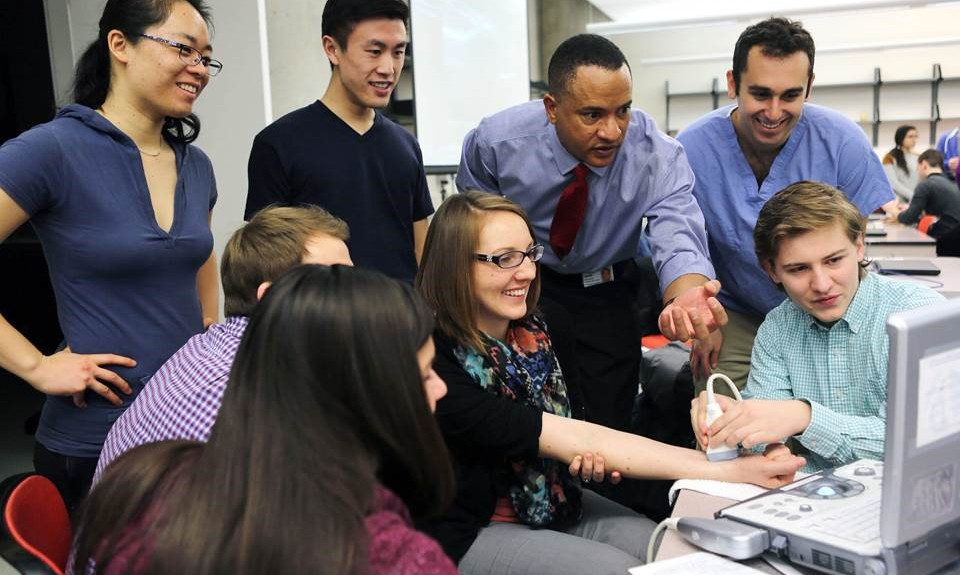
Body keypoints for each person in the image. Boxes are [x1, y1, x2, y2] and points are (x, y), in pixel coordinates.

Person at [415, 191, 805, 574]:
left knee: (674, 552)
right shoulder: (433, 356)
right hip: (474, 527)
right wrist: (731, 470)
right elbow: (560, 435)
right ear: (454, 266)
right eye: (504, 259)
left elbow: (582, 434)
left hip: (560, 500)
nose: (527, 272)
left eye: (531, 253)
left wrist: (589, 463)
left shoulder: (549, 324)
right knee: (623, 570)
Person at [71, 265, 457, 575]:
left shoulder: (148, 476)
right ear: (361, 394)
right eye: (423, 374)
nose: (440, 388)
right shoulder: (395, 558)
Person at [0, 0, 221, 510]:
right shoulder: (52, 150)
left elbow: (199, 273)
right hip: (95, 443)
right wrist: (35, 366)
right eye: (184, 49)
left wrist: (211, 342)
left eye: (206, 56)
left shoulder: (198, 166)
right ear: (119, 45)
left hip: (184, 433)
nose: (199, 69)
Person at [457, 33, 725, 434]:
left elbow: (678, 233)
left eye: (623, 111)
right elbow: (471, 228)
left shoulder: (655, 153)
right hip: (524, 287)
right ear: (552, 108)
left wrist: (689, 300)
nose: (613, 131)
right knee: (520, 416)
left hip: (605, 296)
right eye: (593, 115)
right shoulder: (497, 143)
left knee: (606, 426)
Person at [676, 17, 895, 391]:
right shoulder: (692, 148)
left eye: (791, 95)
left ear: (809, 86)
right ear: (733, 84)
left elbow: (849, 245)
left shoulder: (843, 143)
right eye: (760, 94)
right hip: (737, 314)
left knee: (841, 408)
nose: (774, 112)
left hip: (824, 308)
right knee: (726, 425)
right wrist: (703, 320)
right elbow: (684, 242)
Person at [691, 182, 944, 472]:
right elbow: (763, 442)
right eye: (799, 269)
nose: (822, 285)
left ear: (859, 246)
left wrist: (805, 417)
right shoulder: (777, 329)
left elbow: (916, 444)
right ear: (771, 270)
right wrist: (732, 423)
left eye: (834, 260)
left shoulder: (919, 315)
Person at [93, 206, 353, 484]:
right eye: (336, 281)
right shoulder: (261, 387)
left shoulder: (206, 346)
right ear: (274, 298)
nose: (356, 295)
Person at [245, 0, 431, 284]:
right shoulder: (279, 143)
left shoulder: (406, 144)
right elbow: (263, 260)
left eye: (398, 52)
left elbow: (422, 251)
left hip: (403, 321)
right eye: (374, 51)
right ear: (332, 49)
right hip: (321, 322)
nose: (389, 68)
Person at [896, 149, 960, 257]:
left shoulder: (925, 185)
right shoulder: (952, 184)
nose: (918, 172)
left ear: (924, 165)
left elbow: (908, 218)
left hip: (944, 242)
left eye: (918, 168)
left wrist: (895, 213)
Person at [882, 125, 919, 202]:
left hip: (915, 199)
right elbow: (893, 183)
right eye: (910, 136)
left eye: (916, 136)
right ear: (901, 138)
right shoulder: (889, 158)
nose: (914, 140)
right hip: (898, 201)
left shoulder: (918, 157)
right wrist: (913, 196)